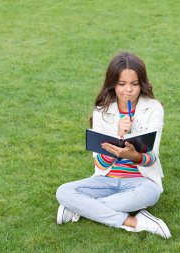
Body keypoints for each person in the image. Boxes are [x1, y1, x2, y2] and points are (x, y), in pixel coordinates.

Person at [56, 51, 171, 239]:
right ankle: (135, 221)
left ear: (142, 84)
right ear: (112, 84)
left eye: (134, 84)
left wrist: (132, 155)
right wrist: (117, 138)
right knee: (64, 191)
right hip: (106, 179)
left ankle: (79, 208)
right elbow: (100, 164)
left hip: (140, 182)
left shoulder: (154, 108)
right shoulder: (102, 111)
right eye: (122, 84)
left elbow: (152, 158)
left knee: (151, 193)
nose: (128, 90)